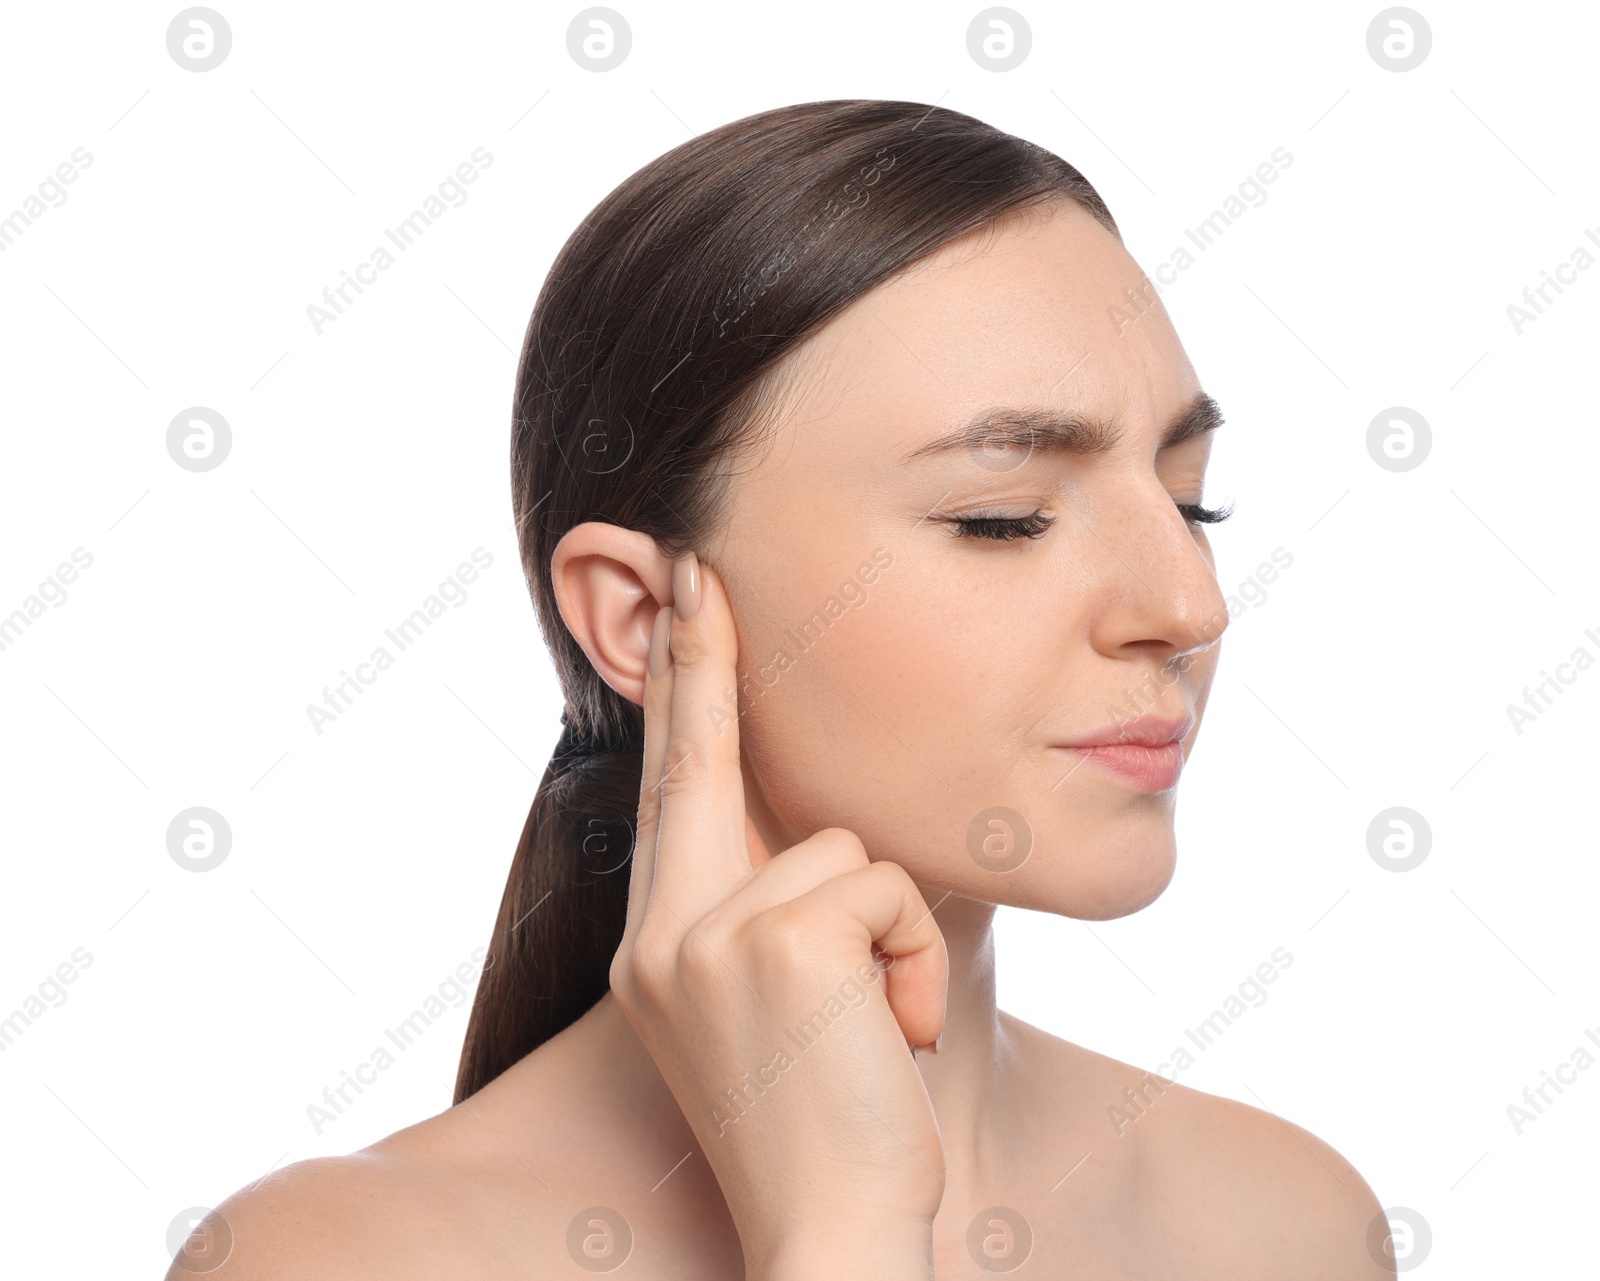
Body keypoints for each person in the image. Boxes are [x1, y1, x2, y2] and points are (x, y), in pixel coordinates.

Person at [174, 99, 1392, 1279]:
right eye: (1000, 519)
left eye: (1188, 501)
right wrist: (841, 1228)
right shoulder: (343, 1261)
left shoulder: (1284, 1225)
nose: (1187, 607)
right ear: (645, 620)